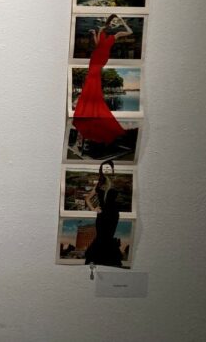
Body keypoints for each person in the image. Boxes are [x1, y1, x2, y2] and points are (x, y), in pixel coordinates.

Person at [72, 15, 130, 143]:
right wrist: (95, 33)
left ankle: (88, 106)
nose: (113, 24)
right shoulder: (102, 30)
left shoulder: (115, 35)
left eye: (115, 22)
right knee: (91, 79)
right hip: (95, 56)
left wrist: (122, 22)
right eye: (112, 22)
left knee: (92, 78)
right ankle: (89, 104)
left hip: (102, 58)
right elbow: (97, 44)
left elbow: (130, 32)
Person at [84, 160, 124, 267]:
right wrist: (93, 209)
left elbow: (121, 199)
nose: (106, 170)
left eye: (108, 168)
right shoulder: (99, 184)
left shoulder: (117, 183)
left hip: (113, 215)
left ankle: (107, 264)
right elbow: (87, 198)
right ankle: (97, 262)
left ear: (112, 169)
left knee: (108, 238)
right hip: (102, 216)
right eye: (104, 168)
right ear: (101, 170)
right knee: (101, 238)